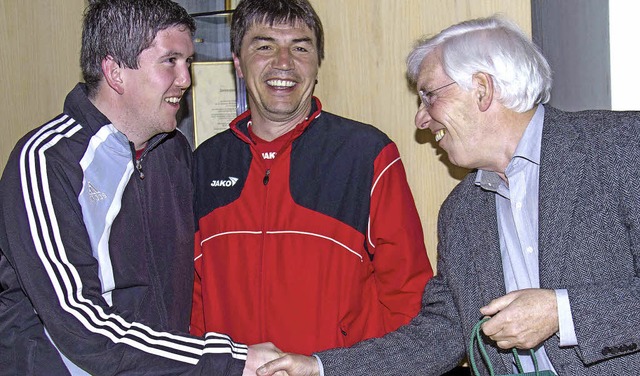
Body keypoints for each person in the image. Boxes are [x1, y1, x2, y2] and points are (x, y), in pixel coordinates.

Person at [256, 15, 640, 376]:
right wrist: (319, 367)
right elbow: (440, 334)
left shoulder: (620, 147)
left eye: (429, 96)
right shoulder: (460, 211)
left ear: (482, 89)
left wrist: (563, 312)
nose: (421, 120)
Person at [0, 0, 279, 374]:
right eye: (170, 61)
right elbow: (80, 327)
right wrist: (228, 361)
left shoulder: (175, 151)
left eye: (188, 62)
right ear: (116, 72)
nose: (185, 79)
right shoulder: (47, 161)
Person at [190, 0, 433, 356]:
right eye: (264, 46)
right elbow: (195, 303)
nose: (284, 62)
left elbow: (408, 297)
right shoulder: (203, 164)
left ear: (317, 63)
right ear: (238, 63)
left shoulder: (367, 154)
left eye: (300, 47)